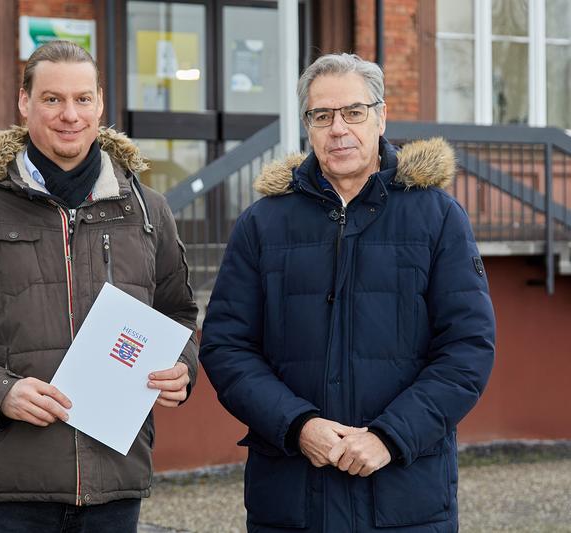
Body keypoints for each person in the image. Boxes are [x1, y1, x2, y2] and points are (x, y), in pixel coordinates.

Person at [0, 40, 198, 533]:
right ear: (24, 103)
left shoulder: (146, 211)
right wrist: (0, 392)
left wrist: (181, 368)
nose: (69, 115)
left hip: (113, 482)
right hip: (8, 487)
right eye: (52, 99)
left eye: (82, 99)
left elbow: (179, 316)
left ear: (100, 103)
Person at [199, 52, 495, 532]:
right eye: (322, 116)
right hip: (291, 502)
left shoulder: (437, 217)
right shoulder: (262, 224)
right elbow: (226, 346)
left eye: (353, 112)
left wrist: (390, 436)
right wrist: (298, 426)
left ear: (380, 117)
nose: (338, 128)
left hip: (405, 502)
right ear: (308, 127)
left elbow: (468, 349)